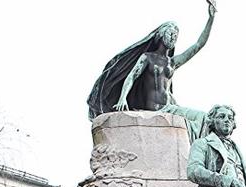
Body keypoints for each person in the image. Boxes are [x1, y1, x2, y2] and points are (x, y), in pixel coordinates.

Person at [87, 3, 216, 119]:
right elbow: (132, 76)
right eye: (170, 33)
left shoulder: (172, 62)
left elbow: (198, 45)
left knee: (202, 118)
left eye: (176, 35)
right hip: (154, 108)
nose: (173, 37)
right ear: (160, 35)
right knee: (201, 118)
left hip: (170, 108)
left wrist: (211, 18)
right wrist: (122, 98)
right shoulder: (147, 57)